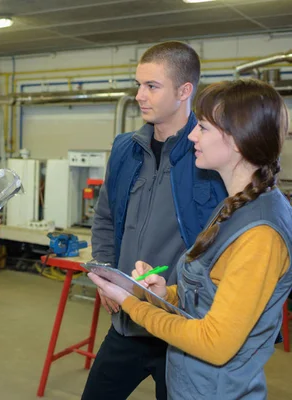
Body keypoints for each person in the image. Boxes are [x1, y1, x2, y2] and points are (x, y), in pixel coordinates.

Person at [88, 78, 292, 400]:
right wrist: (159, 294)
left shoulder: (260, 234)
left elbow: (215, 342)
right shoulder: (235, 205)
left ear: (238, 141)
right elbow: (211, 295)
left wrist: (131, 304)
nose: (193, 134)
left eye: (205, 128)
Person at [82, 41, 227, 400]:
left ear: (184, 91)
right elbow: (104, 219)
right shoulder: (124, 148)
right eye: (138, 84)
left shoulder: (210, 154)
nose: (139, 95)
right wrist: (106, 278)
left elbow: (224, 245)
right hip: (128, 322)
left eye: (151, 86)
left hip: (182, 329)